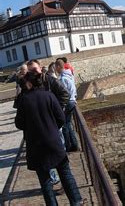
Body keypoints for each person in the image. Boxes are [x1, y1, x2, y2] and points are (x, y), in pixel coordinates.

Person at [15, 73, 83, 206]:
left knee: (45, 181)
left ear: (30, 83)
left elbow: (19, 123)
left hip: (35, 145)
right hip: (53, 142)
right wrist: (51, 128)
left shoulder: (24, 100)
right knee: (65, 174)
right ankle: (76, 202)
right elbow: (61, 118)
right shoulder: (49, 96)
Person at [55, 59, 79, 152]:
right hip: (72, 101)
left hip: (68, 103)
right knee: (68, 124)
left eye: (56, 67)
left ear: (58, 67)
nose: (55, 70)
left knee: (64, 124)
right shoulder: (69, 76)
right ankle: (74, 144)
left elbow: (65, 94)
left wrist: (63, 105)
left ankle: (68, 145)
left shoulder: (63, 79)